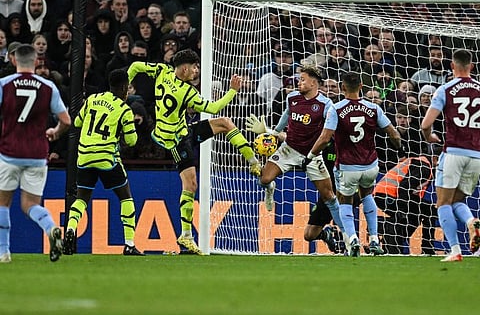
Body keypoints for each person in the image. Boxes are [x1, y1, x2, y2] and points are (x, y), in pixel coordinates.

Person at [127, 49, 262, 254]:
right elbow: (215, 107)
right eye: (194, 67)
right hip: (173, 140)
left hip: (185, 132)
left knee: (225, 123)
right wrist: (233, 90)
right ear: (184, 68)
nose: (196, 71)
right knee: (190, 184)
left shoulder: (162, 70)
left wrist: (120, 93)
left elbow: (136, 66)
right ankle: (186, 236)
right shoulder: (187, 92)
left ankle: (253, 163)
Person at [246, 65, 346, 248]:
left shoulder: (326, 105)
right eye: (299, 79)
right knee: (264, 179)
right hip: (288, 150)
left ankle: (348, 238)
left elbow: (329, 132)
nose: (299, 82)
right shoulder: (292, 98)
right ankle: (271, 188)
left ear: (314, 83)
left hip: (312, 155)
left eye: (302, 79)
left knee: (329, 196)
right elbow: (286, 116)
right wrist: (272, 132)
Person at [307, 72, 402, 257]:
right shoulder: (374, 108)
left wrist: (310, 155)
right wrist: (400, 149)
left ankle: (352, 240)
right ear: (361, 87)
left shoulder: (336, 109)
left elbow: (325, 138)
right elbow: (393, 133)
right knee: (367, 196)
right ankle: (374, 239)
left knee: (345, 202)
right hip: (370, 165)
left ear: (343, 88)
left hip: (347, 166)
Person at [0, 44, 71, 263]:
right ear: (35, 61)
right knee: (30, 204)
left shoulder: (4, 84)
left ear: (14, 61)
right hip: (37, 155)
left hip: (9, 152)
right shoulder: (48, 86)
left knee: (3, 204)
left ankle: (4, 252)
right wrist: (55, 132)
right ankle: (50, 228)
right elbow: (66, 120)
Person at [63, 69, 144, 256]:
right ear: (124, 88)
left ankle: (70, 230)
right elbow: (132, 141)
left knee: (81, 198)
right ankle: (129, 244)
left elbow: (76, 123)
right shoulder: (124, 109)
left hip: (83, 156)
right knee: (126, 197)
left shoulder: (92, 99)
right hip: (107, 158)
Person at [421, 48, 480, 262]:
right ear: (471, 66)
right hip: (476, 155)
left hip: (453, 151)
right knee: (458, 200)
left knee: (443, 202)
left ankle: (455, 250)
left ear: (452, 66)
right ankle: (472, 221)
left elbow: (425, 124)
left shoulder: (445, 89)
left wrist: (430, 136)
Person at [374, 153, 438, 255]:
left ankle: (393, 242)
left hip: (385, 193)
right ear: (435, 158)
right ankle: (427, 248)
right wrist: (402, 211)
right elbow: (404, 186)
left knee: (419, 213)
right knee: (428, 211)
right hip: (389, 194)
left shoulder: (422, 164)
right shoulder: (423, 167)